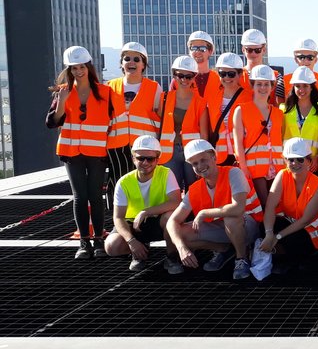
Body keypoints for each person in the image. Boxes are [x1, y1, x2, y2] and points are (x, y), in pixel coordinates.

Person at [47, 46, 127, 259]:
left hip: (97, 152)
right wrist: (62, 103)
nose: (78, 71)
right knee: (79, 197)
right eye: (74, 68)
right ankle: (84, 241)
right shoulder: (63, 91)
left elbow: (117, 122)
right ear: (69, 69)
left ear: (89, 67)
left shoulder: (105, 92)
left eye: (82, 67)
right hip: (72, 152)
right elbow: (52, 122)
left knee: (95, 196)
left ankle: (99, 239)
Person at [166, 139, 263, 279]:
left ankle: (242, 258)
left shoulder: (233, 173)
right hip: (226, 230)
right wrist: (181, 248)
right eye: (194, 163)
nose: (200, 166)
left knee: (231, 218)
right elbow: (172, 222)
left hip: (249, 228)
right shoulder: (195, 189)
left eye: (203, 159)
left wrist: (204, 213)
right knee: (179, 233)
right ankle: (224, 250)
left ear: (214, 157)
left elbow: (238, 208)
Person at [104, 135, 181, 271]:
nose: (145, 162)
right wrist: (131, 241)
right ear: (133, 159)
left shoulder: (166, 174)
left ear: (157, 159)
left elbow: (176, 201)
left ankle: (172, 256)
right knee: (112, 246)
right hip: (134, 225)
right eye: (140, 158)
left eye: (150, 158)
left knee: (170, 217)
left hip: (158, 222)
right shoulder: (124, 182)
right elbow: (118, 217)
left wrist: (146, 212)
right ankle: (139, 252)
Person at [257, 137, 318, 274]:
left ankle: (304, 259)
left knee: (293, 238)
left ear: (309, 161)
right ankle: (283, 257)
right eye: (290, 159)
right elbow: (270, 208)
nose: (295, 163)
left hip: (309, 234)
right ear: (285, 161)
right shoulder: (283, 175)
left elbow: (305, 220)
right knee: (264, 226)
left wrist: (277, 237)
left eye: (300, 159)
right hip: (291, 225)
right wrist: (268, 234)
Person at [105, 42, 161, 209]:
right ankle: (118, 223)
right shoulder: (110, 87)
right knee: (118, 183)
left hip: (144, 148)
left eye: (136, 59)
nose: (131, 62)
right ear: (121, 63)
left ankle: (143, 221)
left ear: (143, 64)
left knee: (144, 184)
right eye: (127, 58)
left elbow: (161, 117)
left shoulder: (154, 88)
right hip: (117, 147)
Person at [233, 64, 285, 208]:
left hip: (276, 167)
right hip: (254, 168)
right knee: (263, 205)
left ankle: (273, 230)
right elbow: (238, 142)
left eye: (266, 84)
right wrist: (243, 167)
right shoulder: (241, 110)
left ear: (272, 86)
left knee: (276, 205)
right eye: (259, 84)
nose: (263, 88)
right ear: (252, 85)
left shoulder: (278, 113)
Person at [158, 56, 210, 190]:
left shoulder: (200, 102)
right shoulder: (164, 98)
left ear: (194, 77)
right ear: (174, 75)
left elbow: (204, 134)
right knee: (171, 190)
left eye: (188, 76)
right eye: (180, 75)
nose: (184, 80)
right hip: (169, 151)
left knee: (194, 189)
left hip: (193, 152)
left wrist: (204, 156)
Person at [205, 52, 250, 166]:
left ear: (240, 74)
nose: (226, 77)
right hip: (219, 155)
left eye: (231, 74)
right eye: (222, 73)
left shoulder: (249, 98)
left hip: (243, 154)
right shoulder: (212, 97)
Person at [280, 66, 318, 175]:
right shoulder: (283, 110)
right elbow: (279, 137)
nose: (301, 90)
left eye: (305, 86)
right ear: (293, 87)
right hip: (290, 163)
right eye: (297, 86)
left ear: (312, 87)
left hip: (312, 164)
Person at [240, 28, 284, 104]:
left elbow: (280, 106)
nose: (253, 54)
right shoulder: (236, 76)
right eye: (249, 50)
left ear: (264, 50)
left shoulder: (276, 76)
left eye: (257, 50)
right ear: (243, 50)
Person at [186, 30, 218, 97]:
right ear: (189, 52)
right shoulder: (180, 79)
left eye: (202, 48)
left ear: (210, 51)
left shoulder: (219, 80)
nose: (197, 52)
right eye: (194, 48)